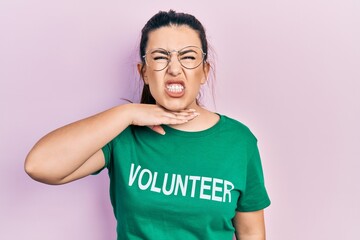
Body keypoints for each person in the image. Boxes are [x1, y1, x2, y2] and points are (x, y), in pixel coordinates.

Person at [25, 10, 271, 240]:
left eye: (188, 57)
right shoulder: (122, 135)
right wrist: (127, 113)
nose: (174, 68)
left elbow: (251, 233)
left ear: (205, 71)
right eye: (160, 57)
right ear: (144, 72)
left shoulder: (239, 141)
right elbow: (39, 165)